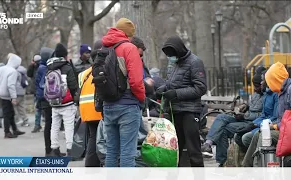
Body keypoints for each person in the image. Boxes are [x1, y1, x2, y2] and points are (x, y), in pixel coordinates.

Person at [156, 35, 207, 167]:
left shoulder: (195, 62)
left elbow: (200, 88)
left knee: (193, 150)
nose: (170, 57)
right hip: (175, 111)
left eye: (171, 54)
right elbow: (171, 83)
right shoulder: (174, 64)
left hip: (189, 112)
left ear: (178, 51)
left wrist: (176, 94)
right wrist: (161, 90)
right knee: (174, 151)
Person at [101, 17, 145, 167]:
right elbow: (136, 81)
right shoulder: (129, 48)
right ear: (128, 35)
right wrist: (141, 98)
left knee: (111, 151)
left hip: (108, 104)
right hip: (127, 105)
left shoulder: (104, 48)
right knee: (127, 152)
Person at [201, 71, 264, 166]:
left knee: (223, 129)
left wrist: (244, 116)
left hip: (251, 123)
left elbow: (262, 116)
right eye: (254, 85)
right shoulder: (255, 94)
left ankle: (223, 162)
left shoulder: (267, 96)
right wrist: (245, 106)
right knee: (221, 117)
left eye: (257, 86)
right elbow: (251, 106)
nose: (255, 88)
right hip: (244, 117)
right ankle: (208, 144)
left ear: (262, 84)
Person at [242, 62, 289, 167]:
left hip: (287, 131)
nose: (266, 83)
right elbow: (281, 118)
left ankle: (258, 169)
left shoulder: (288, 92)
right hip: (283, 129)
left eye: (269, 80)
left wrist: (275, 126)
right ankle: (246, 167)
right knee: (259, 133)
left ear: (275, 79)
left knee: (264, 135)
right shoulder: (281, 93)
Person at [48, 43, 78, 157]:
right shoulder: (67, 67)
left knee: (54, 126)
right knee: (69, 126)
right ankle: (70, 150)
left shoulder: (49, 67)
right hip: (67, 102)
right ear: (65, 55)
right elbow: (73, 85)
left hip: (54, 102)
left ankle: (54, 149)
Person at [0, 53, 25, 138]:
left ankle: (14, 129)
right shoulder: (13, 71)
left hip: (1, 93)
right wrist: (14, 97)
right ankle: (7, 132)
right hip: (8, 95)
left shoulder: (2, 68)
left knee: (11, 112)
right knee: (7, 113)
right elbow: (11, 85)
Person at [78, 66, 102, 167]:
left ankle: (90, 165)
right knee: (103, 138)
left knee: (93, 137)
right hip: (97, 110)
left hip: (85, 109)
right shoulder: (102, 70)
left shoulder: (83, 74)